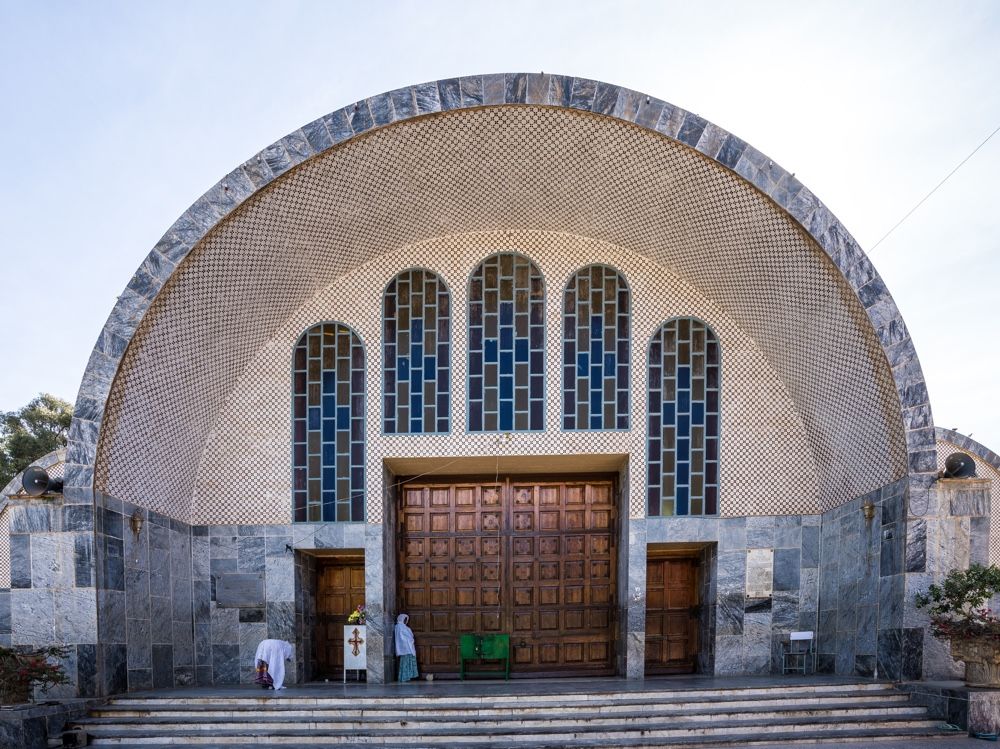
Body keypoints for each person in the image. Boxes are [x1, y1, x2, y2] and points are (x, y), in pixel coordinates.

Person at [394, 614, 418, 682]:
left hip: (408, 646)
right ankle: (404, 677)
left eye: (406, 620)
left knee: (408, 662)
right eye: (404, 619)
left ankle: (408, 676)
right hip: (405, 647)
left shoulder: (404, 627)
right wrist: (409, 640)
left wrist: (410, 639)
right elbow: (401, 637)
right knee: (405, 662)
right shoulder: (399, 627)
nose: (405, 621)